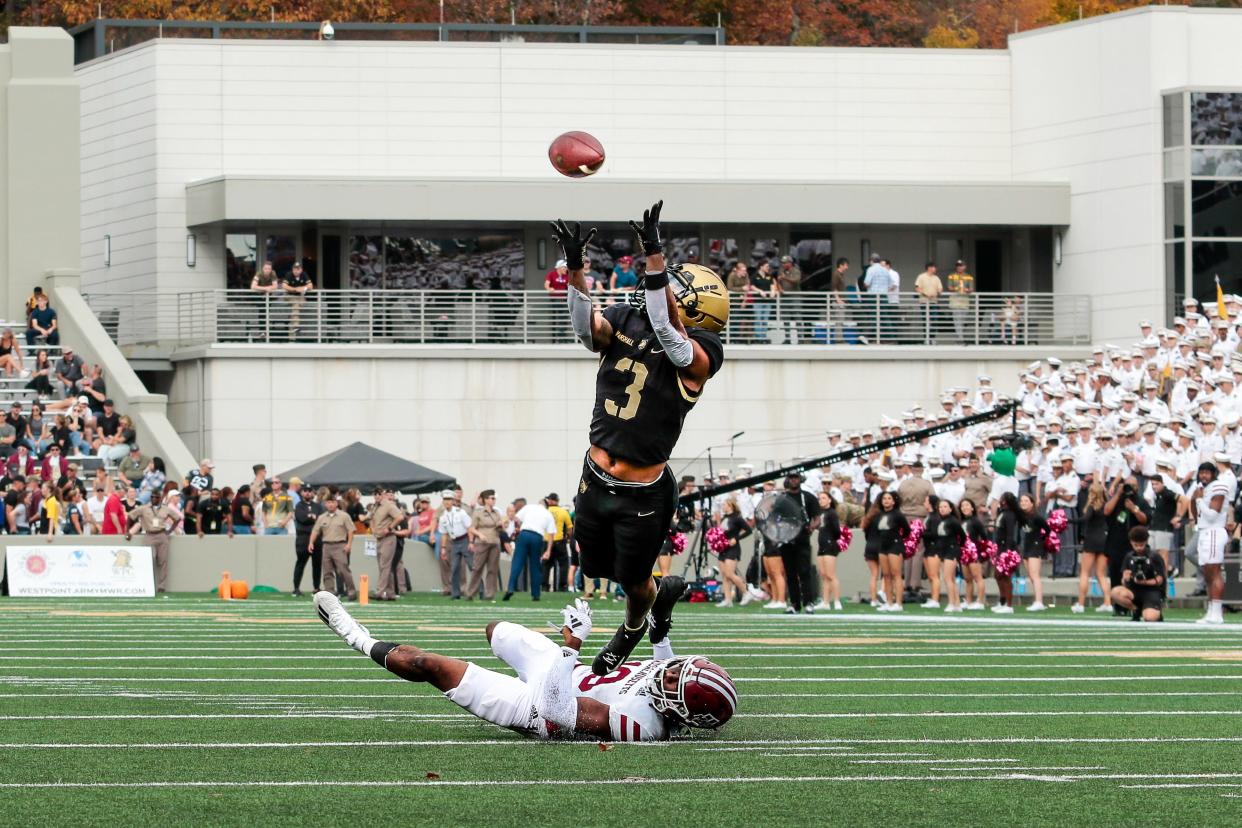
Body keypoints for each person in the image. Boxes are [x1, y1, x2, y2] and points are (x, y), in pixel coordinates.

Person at [551, 200, 727, 675]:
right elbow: (586, 332)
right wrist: (575, 270)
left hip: (643, 493)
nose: (662, 287)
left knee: (633, 585)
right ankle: (651, 610)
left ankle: (637, 629)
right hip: (596, 475)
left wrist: (654, 254)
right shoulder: (627, 321)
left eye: (673, 285)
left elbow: (670, 334)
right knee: (593, 569)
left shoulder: (704, 351)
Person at [313, 592, 735, 742]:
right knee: (495, 629)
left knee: (427, 665)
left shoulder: (643, 725)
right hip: (564, 671)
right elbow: (665, 660)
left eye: (679, 679)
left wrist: (572, 644)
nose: (671, 672)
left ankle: (352, 634)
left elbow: (556, 709)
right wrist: (662, 623)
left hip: (539, 706)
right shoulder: (671, 694)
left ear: (680, 711)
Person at [1185, 462, 1231, 625]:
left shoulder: (1219, 486)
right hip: (1204, 531)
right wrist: (1194, 499)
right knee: (1207, 574)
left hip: (1214, 531)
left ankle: (1217, 613)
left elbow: (1212, 514)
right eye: (1201, 472)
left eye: (1207, 472)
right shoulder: (1200, 489)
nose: (1203, 475)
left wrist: (1198, 500)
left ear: (1214, 473)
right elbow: (1197, 513)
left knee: (1214, 572)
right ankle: (1211, 611)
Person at [774, 472, 821, 615]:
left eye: (796, 478)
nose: (794, 480)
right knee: (790, 573)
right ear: (788, 480)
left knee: (805, 572)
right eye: (791, 478)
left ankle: (808, 603)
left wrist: (811, 527)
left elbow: (817, 518)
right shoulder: (781, 500)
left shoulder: (809, 497)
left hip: (802, 540)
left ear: (800, 479)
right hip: (786, 541)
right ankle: (794, 604)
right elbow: (775, 519)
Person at [504, 495, 555, 602]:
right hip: (537, 537)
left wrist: (518, 528)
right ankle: (536, 594)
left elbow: (517, 518)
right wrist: (548, 550)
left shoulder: (529, 507)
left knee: (517, 563)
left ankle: (510, 588)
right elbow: (551, 534)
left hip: (524, 534)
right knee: (535, 566)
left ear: (538, 503)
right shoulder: (548, 514)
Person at [1110, 526, 1167, 622]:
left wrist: (1145, 582)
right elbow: (1124, 581)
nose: (1139, 548)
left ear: (1146, 542)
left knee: (1150, 618)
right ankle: (1135, 609)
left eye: (1141, 545)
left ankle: (1156, 611)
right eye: (1136, 545)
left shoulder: (1154, 557)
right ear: (1131, 542)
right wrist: (1125, 578)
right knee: (1115, 592)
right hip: (1134, 591)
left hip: (1151, 592)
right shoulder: (1129, 556)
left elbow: (1160, 579)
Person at [864, 491, 909, 612]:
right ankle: (889, 602)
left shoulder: (898, 515)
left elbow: (907, 531)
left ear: (894, 501)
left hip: (895, 546)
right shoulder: (878, 516)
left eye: (889, 498)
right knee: (886, 576)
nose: (886, 500)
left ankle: (898, 603)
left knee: (896, 574)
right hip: (882, 547)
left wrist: (897, 539)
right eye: (884, 498)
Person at [1072, 483, 1113, 614]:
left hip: (1091, 540)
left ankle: (1081, 603)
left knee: (1085, 573)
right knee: (1101, 574)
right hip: (1104, 540)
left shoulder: (1091, 506)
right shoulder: (1106, 507)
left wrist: (1068, 520)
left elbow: (1085, 519)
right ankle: (1108, 603)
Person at [308, 492, 356, 601]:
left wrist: (349, 544)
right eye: (328, 502)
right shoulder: (321, 517)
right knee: (327, 571)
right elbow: (315, 530)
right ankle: (330, 593)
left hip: (340, 545)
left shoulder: (344, 516)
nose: (330, 505)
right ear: (325, 504)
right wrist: (311, 542)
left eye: (332, 502)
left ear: (336, 503)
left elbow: (351, 530)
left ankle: (351, 591)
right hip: (326, 546)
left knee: (344, 570)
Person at [126, 493, 175, 593]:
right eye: (152, 497)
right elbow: (130, 516)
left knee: (163, 561)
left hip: (161, 534)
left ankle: (162, 586)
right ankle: (147, 583)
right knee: (148, 560)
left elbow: (177, 518)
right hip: (149, 535)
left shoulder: (166, 509)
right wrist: (128, 531)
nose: (154, 499)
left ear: (160, 498)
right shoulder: (144, 508)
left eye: (156, 497)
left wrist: (169, 531)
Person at [466, 489, 503, 602]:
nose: (493, 500)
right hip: (481, 543)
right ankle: (471, 593)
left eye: (494, 498)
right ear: (486, 500)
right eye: (491, 498)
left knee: (492, 569)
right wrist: (479, 534)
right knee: (477, 568)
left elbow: (501, 529)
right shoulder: (478, 512)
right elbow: (471, 528)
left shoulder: (496, 513)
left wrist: (501, 525)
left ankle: (489, 594)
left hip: (494, 542)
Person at [715, 498, 753, 608]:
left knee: (730, 574)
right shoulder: (724, 518)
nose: (723, 506)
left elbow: (748, 530)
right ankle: (728, 599)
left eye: (724, 505)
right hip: (723, 548)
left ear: (730, 505)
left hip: (733, 548)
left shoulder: (737, 518)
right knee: (724, 576)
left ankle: (746, 592)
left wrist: (736, 538)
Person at [368, 488, 405, 601]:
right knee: (383, 566)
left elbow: (400, 517)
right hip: (379, 538)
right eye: (375, 494)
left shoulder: (389, 505)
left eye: (379, 494)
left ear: (383, 495)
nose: (377, 496)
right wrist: (373, 529)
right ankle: (390, 593)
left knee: (385, 565)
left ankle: (379, 592)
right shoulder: (375, 506)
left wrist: (389, 528)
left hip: (388, 538)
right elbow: (371, 518)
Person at [437, 491, 474, 600]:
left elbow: (469, 527)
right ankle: (455, 593)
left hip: (465, 540)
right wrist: (443, 548)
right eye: (445, 500)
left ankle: (479, 590)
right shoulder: (443, 517)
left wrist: (471, 542)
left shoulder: (460, 512)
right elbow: (443, 533)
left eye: (449, 500)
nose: (447, 502)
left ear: (453, 501)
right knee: (454, 568)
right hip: (454, 542)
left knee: (472, 566)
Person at [1018, 492, 1049, 611]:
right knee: (1031, 575)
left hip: (1035, 547)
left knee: (1035, 575)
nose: (1023, 503)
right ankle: (1036, 599)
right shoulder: (1022, 517)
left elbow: (1047, 529)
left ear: (1032, 503)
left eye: (1026, 501)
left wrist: (1041, 541)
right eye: (1021, 501)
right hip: (1026, 546)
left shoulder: (1037, 517)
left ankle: (1039, 602)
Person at [292, 487, 324, 595]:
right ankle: (296, 588)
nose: (307, 493)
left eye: (310, 491)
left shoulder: (318, 506)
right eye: (305, 491)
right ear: (301, 493)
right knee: (300, 563)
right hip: (303, 538)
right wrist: (311, 517)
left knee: (317, 564)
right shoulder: (299, 506)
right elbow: (302, 518)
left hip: (317, 538)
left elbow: (321, 519)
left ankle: (316, 587)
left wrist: (311, 517)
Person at [814, 491, 843, 611]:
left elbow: (837, 531)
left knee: (831, 575)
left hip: (830, 545)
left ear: (830, 500)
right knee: (824, 575)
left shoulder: (832, 513)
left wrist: (831, 539)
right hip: (821, 546)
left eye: (824, 498)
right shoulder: (820, 513)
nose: (821, 500)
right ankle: (825, 602)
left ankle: (836, 601)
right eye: (820, 498)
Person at [543, 493, 573, 593]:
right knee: (563, 564)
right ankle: (562, 585)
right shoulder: (563, 512)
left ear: (550, 501)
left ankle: (544, 586)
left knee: (546, 565)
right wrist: (568, 537)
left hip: (547, 541)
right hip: (560, 541)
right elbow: (569, 528)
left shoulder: (545, 511)